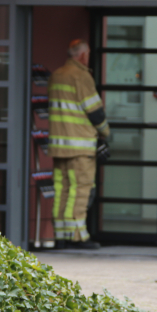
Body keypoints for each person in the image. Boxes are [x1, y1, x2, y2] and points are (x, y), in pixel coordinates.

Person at [48, 39, 109, 249]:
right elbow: (95, 111)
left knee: (61, 189)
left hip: (59, 146)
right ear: (82, 55)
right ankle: (78, 236)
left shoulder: (57, 74)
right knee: (80, 189)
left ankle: (60, 236)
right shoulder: (81, 76)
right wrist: (106, 133)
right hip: (81, 146)